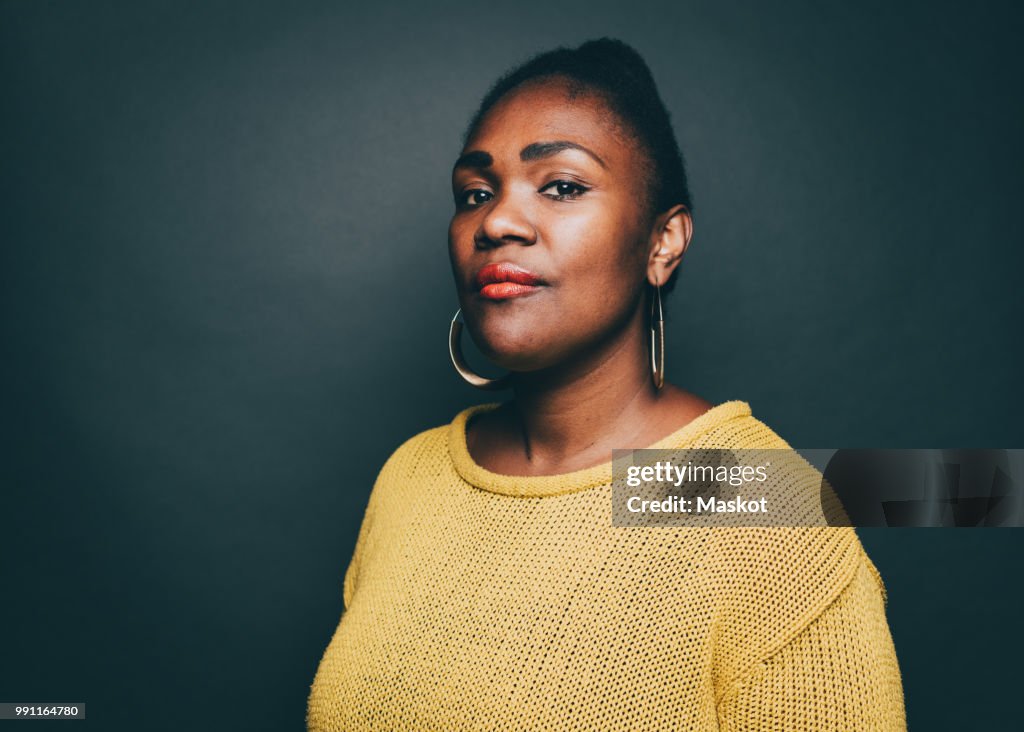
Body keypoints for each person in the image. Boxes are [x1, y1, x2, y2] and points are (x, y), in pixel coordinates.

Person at [307, 38, 906, 731]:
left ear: (663, 243)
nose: (495, 221)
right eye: (475, 193)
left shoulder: (765, 509)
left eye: (561, 185)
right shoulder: (411, 479)